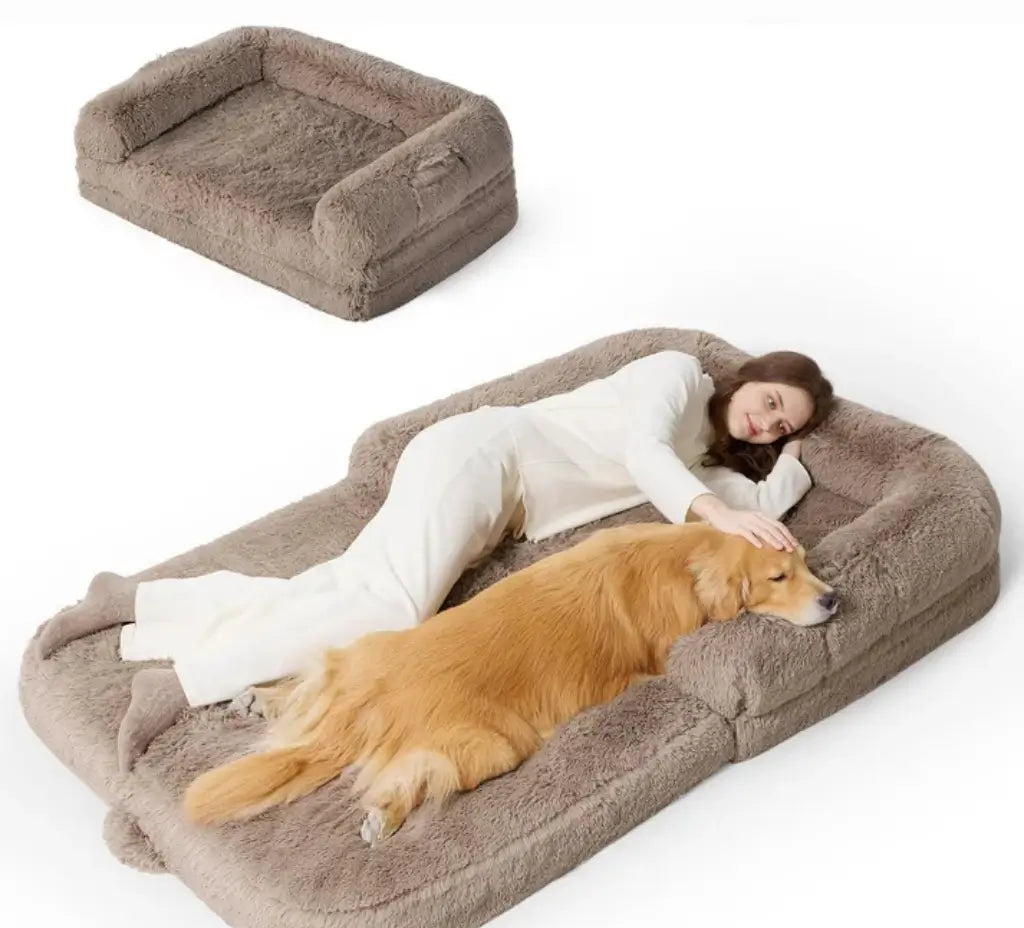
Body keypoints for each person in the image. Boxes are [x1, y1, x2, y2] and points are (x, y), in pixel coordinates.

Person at [38, 347, 834, 769]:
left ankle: (140, 605)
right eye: (770, 402)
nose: (766, 424)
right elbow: (643, 451)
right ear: (749, 374)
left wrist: (791, 462)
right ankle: (178, 687)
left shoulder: (703, 468)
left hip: (494, 504)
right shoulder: (676, 378)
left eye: (781, 425)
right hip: (482, 458)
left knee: (340, 587)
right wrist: (714, 505)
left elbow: (755, 515)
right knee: (390, 605)